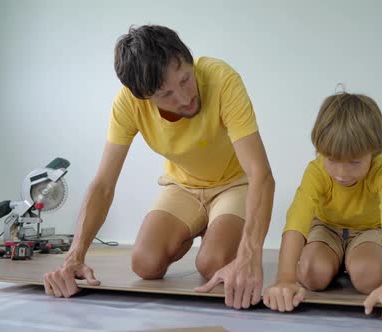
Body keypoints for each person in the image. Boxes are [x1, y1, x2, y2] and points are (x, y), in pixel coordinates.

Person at [43, 25, 275, 310]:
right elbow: (103, 184)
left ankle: (217, 232)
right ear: (144, 96)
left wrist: (250, 257)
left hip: (233, 185)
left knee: (211, 263)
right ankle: (201, 227)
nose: (184, 97)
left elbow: (261, 174)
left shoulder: (222, 78)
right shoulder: (128, 105)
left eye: (185, 80)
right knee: (145, 264)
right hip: (182, 187)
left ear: (190, 62)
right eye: (166, 94)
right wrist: (74, 257)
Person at [263, 91, 382, 322]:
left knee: (371, 276)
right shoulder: (315, 171)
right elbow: (298, 218)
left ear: (374, 152)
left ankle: (347, 262)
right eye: (332, 160)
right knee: (311, 273)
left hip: (367, 230)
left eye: (355, 162)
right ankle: (334, 262)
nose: (342, 173)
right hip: (327, 227)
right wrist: (285, 278)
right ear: (320, 151)